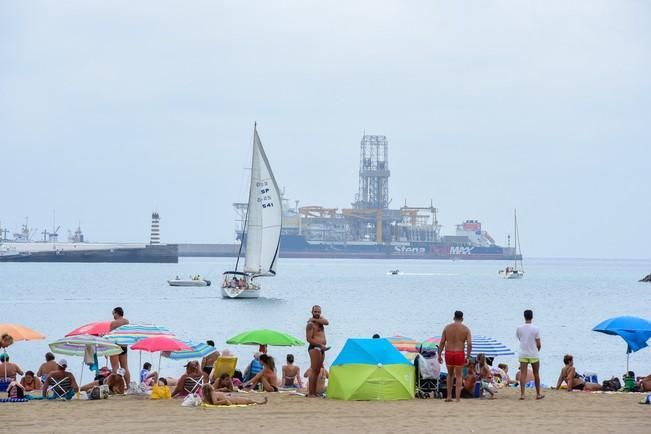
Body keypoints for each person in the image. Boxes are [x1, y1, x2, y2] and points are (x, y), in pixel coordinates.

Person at [438, 310, 472, 402]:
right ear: (462, 318)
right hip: (459, 353)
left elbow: (441, 343)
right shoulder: (466, 329)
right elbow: (469, 344)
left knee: (450, 375)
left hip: (448, 352)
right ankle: (457, 398)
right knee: (459, 375)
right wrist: (468, 357)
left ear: (454, 318)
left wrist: (439, 355)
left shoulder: (447, 328)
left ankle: (449, 396)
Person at [516, 309, 543, 400]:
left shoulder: (519, 328)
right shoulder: (536, 328)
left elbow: (520, 339)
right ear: (532, 317)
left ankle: (522, 394)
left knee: (523, 374)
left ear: (524, 316)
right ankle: (538, 393)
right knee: (536, 374)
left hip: (523, 353)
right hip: (533, 353)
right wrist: (537, 349)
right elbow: (538, 343)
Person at [306, 305, 329, 398]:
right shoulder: (310, 324)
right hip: (315, 347)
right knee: (314, 370)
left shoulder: (320, 322)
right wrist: (320, 345)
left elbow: (327, 322)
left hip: (322, 348)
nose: (317, 313)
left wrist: (315, 319)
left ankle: (315, 392)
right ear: (312, 312)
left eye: (319, 312)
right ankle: (311, 393)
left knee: (319, 370)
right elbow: (309, 339)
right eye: (315, 312)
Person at [109, 307, 131, 385]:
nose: (113, 316)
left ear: (117, 313)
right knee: (125, 368)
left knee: (115, 368)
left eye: (113, 313)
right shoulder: (127, 321)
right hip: (124, 345)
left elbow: (110, 336)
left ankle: (116, 387)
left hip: (115, 346)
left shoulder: (114, 323)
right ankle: (128, 386)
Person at [201, 384, 268, 406]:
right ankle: (261, 403)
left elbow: (205, 400)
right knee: (247, 400)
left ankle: (260, 403)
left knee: (246, 400)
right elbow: (215, 402)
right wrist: (225, 401)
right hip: (230, 399)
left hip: (229, 397)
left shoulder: (209, 395)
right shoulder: (212, 393)